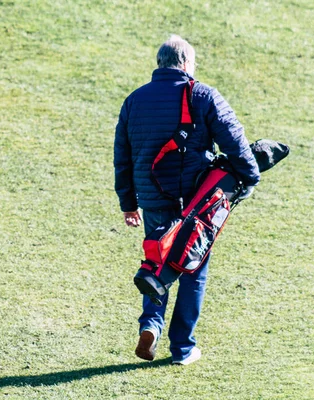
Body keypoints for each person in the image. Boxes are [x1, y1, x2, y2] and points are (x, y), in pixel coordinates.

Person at [114, 35, 260, 365]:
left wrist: (128, 203)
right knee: (192, 266)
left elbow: (121, 156)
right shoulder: (203, 95)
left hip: (153, 199)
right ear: (186, 64)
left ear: (159, 62)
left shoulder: (133, 101)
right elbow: (234, 140)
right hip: (199, 200)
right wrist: (250, 176)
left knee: (158, 260)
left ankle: (151, 325)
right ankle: (182, 348)